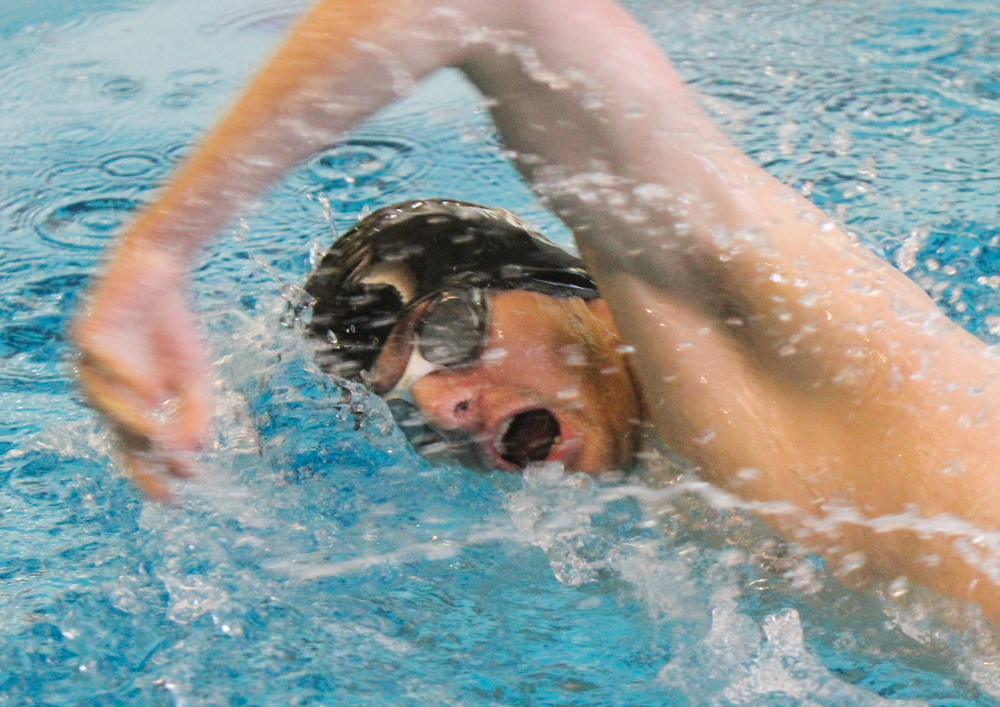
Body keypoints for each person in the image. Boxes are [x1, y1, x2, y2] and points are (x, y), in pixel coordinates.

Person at [71, 0, 1000, 624]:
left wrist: (158, 252)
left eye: (451, 334)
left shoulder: (743, 317)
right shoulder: (663, 507)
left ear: (571, 288)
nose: (446, 406)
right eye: (410, 401)